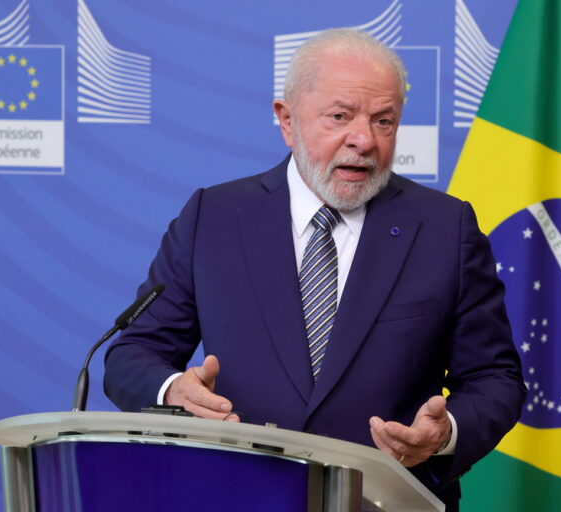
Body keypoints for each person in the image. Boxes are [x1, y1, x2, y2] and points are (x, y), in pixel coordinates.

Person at [104, 28, 526, 509]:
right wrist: (173, 390)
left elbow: (496, 379)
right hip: (239, 495)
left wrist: (444, 433)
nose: (363, 140)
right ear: (286, 120)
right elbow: (132, 354)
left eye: (384, 121)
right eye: (340, 117)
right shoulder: (213, 217)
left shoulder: (445, 227)